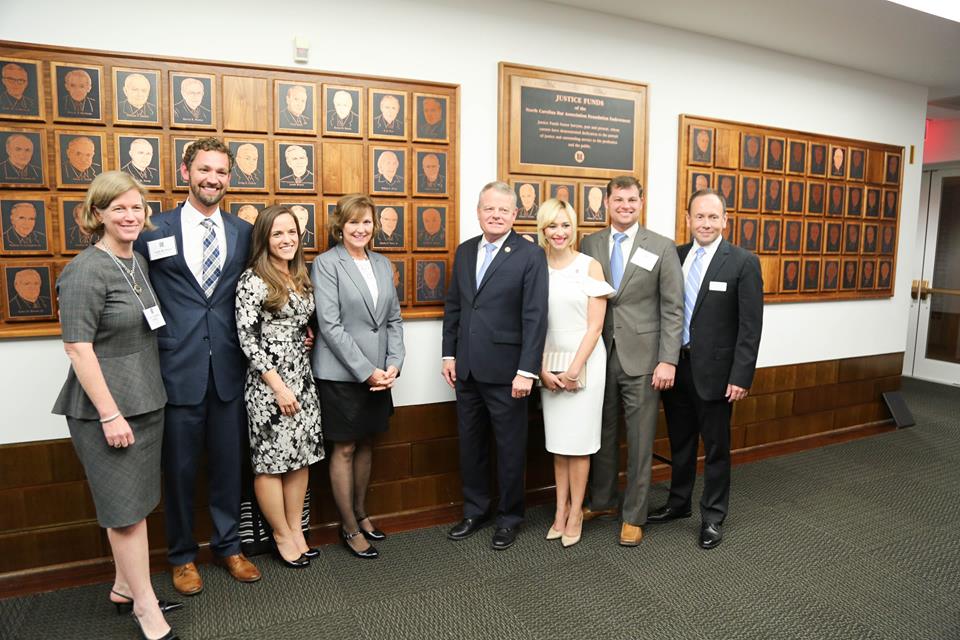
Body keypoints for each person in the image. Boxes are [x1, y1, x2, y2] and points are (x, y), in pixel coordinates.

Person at [52, 171, 180, 640]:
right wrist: (109, 414)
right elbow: (77, 349)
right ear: (98, 214)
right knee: (124, 514)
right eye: (118, 208)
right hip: (107, 412)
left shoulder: (135, 262)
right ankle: (146, 609)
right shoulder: (85, 270)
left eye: (136, 207)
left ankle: (126, 587)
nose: (130, 216)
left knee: (136, 507)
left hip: (146, 400)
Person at [133, 137, 261, 596]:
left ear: (230, 178)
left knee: (230, 466)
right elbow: (136, 293)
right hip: (176, 368)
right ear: (185, 171)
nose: (213, 178)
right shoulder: (153, 229)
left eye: (222, 172)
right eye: (205, 169)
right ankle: (182, 557)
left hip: (230, 368)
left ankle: (229, 547)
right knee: (181, 468)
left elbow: (256, 293)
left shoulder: (243, 233)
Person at [649, 188, 762, 548]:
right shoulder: (675, 255)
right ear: (688, 219)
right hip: (676, 368)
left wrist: (741, 376)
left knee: (715, 449)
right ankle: (678, 503)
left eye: (714, 217)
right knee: (680, 443)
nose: (706, 223)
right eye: (700, 216)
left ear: (725, 221)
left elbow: (750, 326)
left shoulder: (743, 262)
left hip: (716, 374)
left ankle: (712, 516)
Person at [442, 181, 549, 550]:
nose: (496, 215)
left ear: (515, 215)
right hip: (467, 370)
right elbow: (454, 306)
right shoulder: (466, 251)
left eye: (504, 210)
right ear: (478, 211)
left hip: (509, 374)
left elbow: (536, 317)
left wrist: (527, 370)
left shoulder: (529, 255)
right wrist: (448, 355)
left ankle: (509, 517)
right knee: (470, 445)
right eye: (489, 208)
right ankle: (475, 510)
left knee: (509, 448)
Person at [578, 176, 683, 547]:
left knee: (640, 440)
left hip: (645, 359)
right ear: (606, 203)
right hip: (599, 354)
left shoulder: (661, 246)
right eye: (618, 199)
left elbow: (673, 308)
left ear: (641, 202)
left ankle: (635, 515)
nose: (625, 205)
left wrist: (668, 360)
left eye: (632, 199)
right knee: (602, 433)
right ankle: (603, 501)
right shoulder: (589, 243)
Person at [312, 194, 405, 559]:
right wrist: (367, 372)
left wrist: (395, 363)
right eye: (353, 222)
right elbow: (330, 327)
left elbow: (393, 319)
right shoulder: (326, 264)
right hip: (341, 375)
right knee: (345, 447)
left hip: (382, 373)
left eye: (367, 222)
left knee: (367, 442)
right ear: (340, 226)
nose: (360, 229)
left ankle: (362, 513)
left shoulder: (382, 263)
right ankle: (348, 526)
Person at [236, 205, 323, 568]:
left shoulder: (300, 275)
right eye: (277, 234)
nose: (287, 239)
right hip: (269, 385)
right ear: (264, 239)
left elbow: (299, 322)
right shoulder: (253, 278)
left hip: (303, 378)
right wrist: (277, 386)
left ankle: (297, 530)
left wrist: (309, 336)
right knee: (271, 464)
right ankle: (282, 534)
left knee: (300, 457)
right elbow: (247, 338)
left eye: (292, 232)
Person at [537, 199, 613, 548]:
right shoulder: (535, 267)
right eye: (553, 225)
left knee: (579, 444)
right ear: (543, 229)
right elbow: (530, 323)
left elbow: (595, 326)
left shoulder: (589, 266)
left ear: (574, 229)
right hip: (547, 362)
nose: (559, 233)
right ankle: (559, 510)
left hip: (584, 360)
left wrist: (572, 370)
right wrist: (541, 370)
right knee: (558, 443)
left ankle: (576, 511)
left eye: (565, 225)